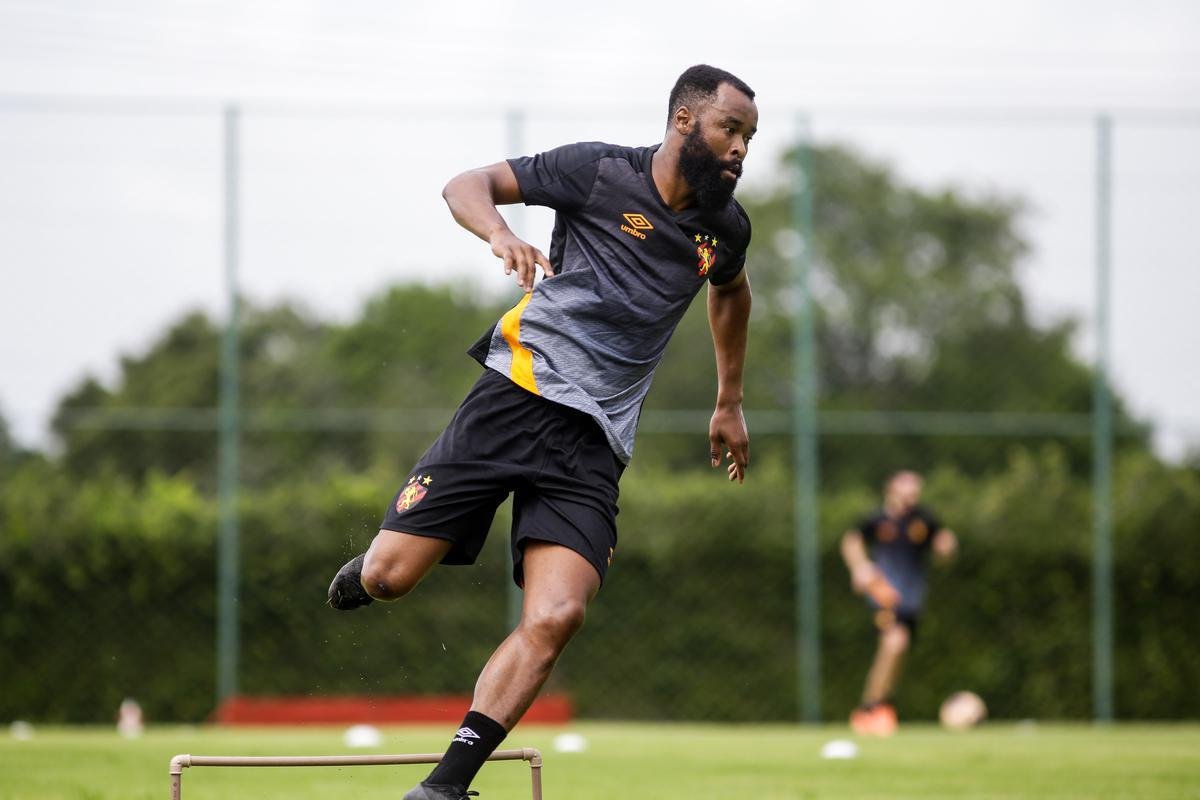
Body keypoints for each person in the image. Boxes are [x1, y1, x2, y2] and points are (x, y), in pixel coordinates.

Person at [326, 64, 758, 800]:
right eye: (730, 130)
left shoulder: (724, 228)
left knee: (558, 615)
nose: (741, 150)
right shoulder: (594, 171)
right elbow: (465, 185)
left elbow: (730, 293)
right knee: (389, 580)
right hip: (514, 397)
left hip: (593, 446)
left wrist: (729, 399)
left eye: (750, 138)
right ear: (685, 121)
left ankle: (445, 787)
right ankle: (370, 566)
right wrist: (500, 234)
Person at [840, 470, 958, 736]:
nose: (911, 497)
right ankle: (869, 709)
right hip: (885, 595)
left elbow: (945, 544)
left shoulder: (924, 520)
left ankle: (879, 707)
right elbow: (851, 541)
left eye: (915, 492)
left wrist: (947, 548)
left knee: (897, 650)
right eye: (906, 490)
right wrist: (860, 567)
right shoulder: (877, 519)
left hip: (912, 601)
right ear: (891, 490)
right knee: (895, 642)